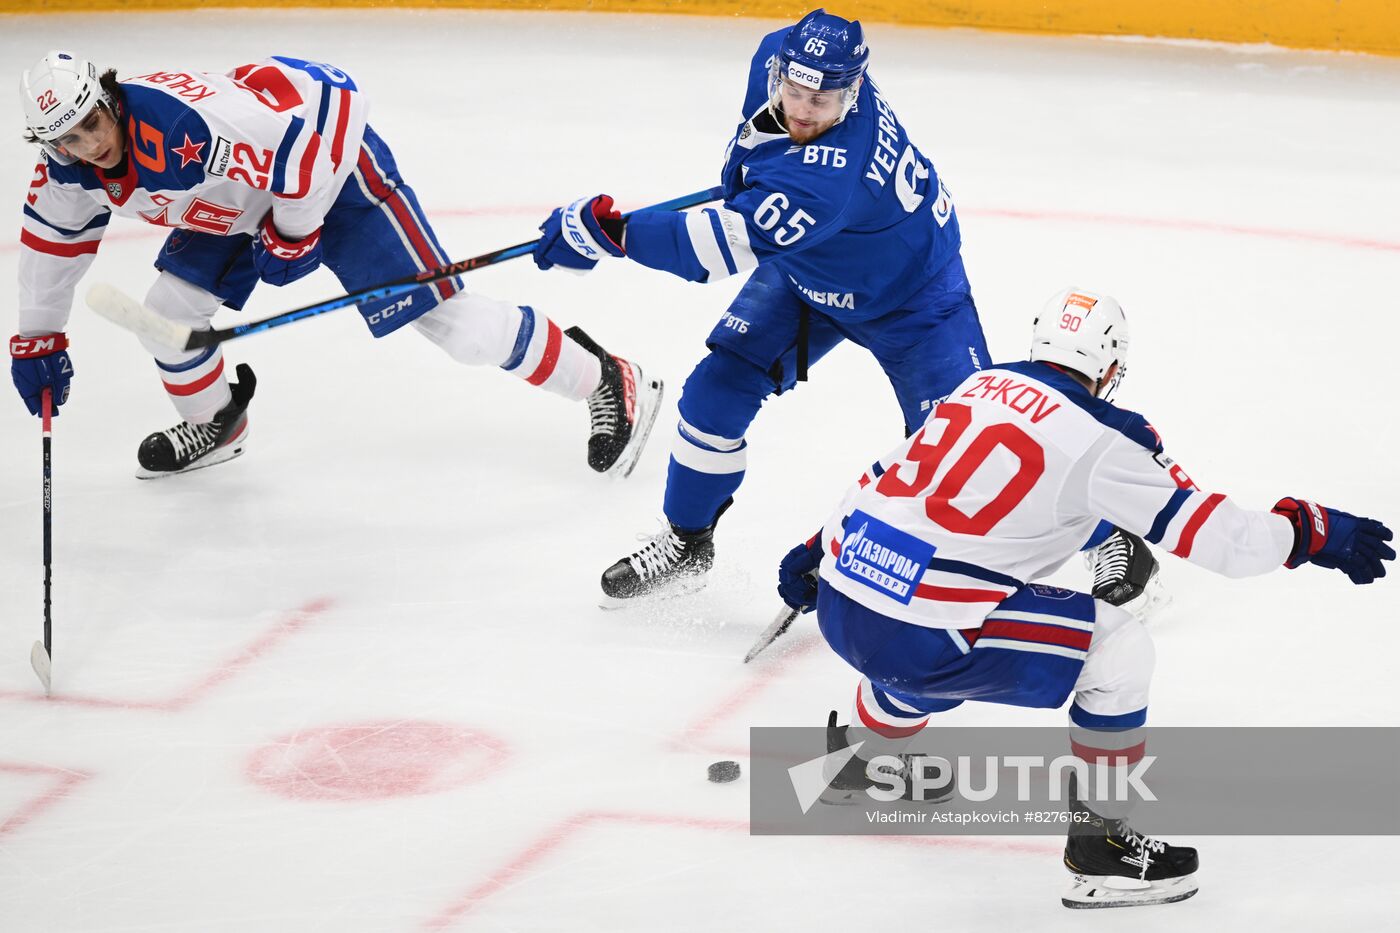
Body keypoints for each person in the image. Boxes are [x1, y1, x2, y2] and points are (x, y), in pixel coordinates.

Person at [775, 287, 1393, 908]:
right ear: (1112, 367)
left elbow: (886, 479)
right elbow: (1218, 540)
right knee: (1115, 648)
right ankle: (1102, 849)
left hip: (845, 593)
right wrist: (1310, 530)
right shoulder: (1107, 433)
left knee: (956, 605)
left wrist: (813, 551)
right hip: (923, 635)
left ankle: (867, 756)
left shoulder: (975, 387)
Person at [12, 51, 661, 479]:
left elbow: (304, 148)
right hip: (236, 197)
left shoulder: (188, 123)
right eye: (67, 138)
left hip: (331, 162)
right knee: (167, 315)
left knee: (456, 329)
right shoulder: (69, 169)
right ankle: (216, 421)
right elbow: (51, 242)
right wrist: (37, 335)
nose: (88, 145)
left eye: (92, 123)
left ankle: (603, 376)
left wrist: (293, 235)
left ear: (108, 97)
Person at [531, 9, 995, 604]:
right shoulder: (779, 57)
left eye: (823, 102)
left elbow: (704, 250)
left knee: (972, 455)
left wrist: (608, 233)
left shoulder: (828, 184)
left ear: (853, 94)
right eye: (795, 91)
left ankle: (1109, 537)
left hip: (914, 297)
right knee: (711, 398)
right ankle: (687, 544)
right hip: (811, 272)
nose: (803, 110)